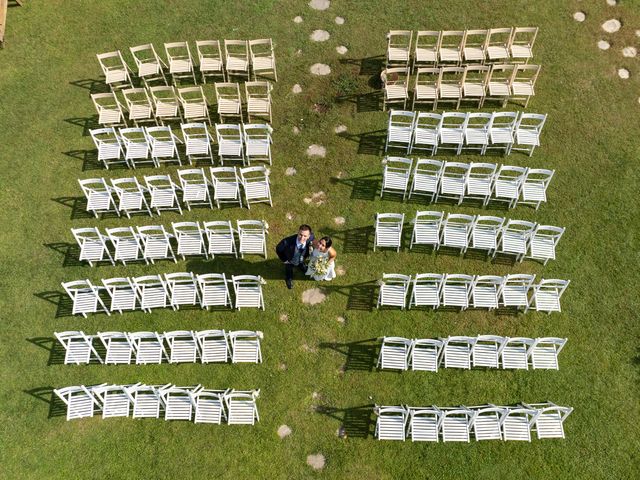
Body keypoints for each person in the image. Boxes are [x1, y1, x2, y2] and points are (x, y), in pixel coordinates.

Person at [275, 224, 314, 289]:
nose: (302, 238)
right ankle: (289, 278)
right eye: (300, 235)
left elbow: (313, 239)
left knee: (301, 263)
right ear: (298, 232)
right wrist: (284, 260)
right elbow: (278, 249)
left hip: (302, 257)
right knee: (289, 269)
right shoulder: (286, 242)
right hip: (290, 260)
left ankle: (302, 266)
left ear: (309, 236)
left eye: (305, 236)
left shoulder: (310, 238)